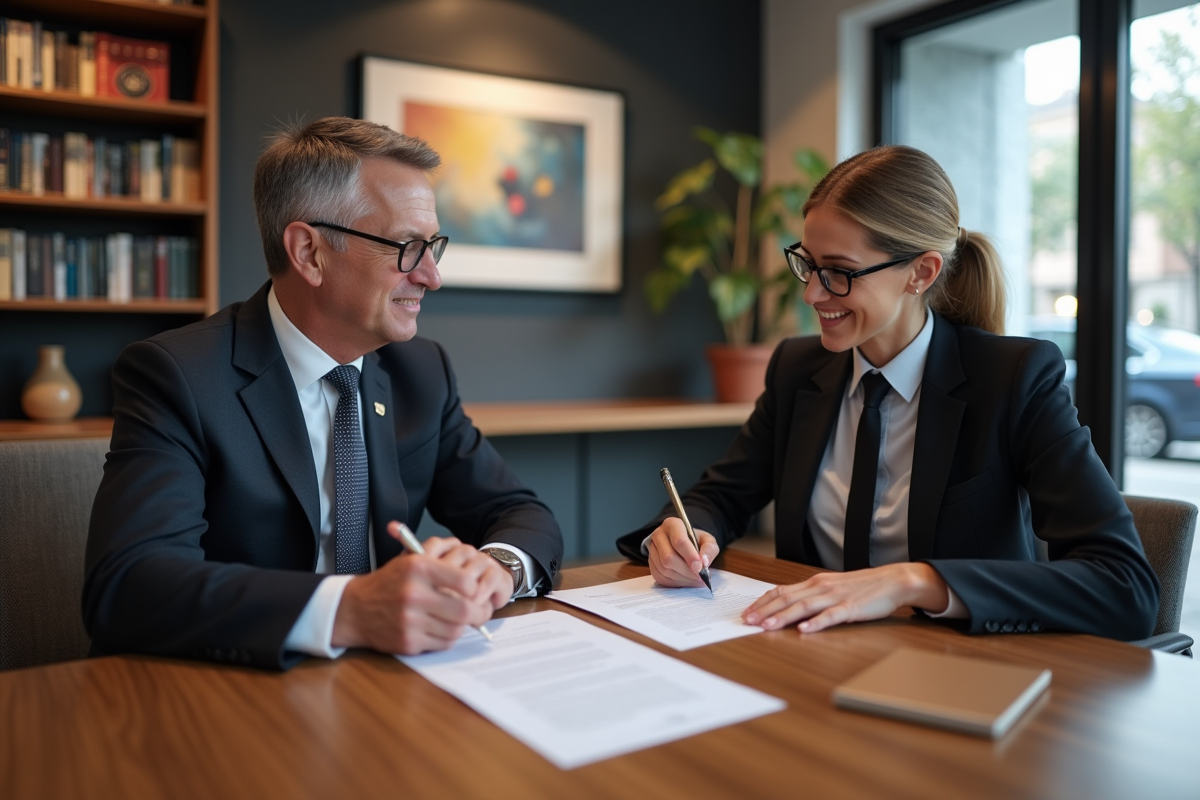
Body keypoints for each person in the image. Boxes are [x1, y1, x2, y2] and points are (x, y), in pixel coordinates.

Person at [617, 144, 1158, 641]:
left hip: (957, 673)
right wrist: (680, 535)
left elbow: (1123, 585)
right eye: (808, 263)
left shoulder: (1013, 378)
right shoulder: (797, 368)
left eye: (840, 273)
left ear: (920, 273)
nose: (811, 293)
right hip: (808, 658)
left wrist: (911, 581)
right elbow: (722, 496)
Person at [84, 117, 563, 670]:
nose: (432, 276)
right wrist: (349, 609)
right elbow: (127, 585)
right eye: (407, 247)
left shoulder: (420, 371)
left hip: (386, 682)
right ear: (309, 252)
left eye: (433, 246)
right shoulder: (177, 375)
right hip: (223, 687)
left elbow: (519, 512)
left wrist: (498, 566)